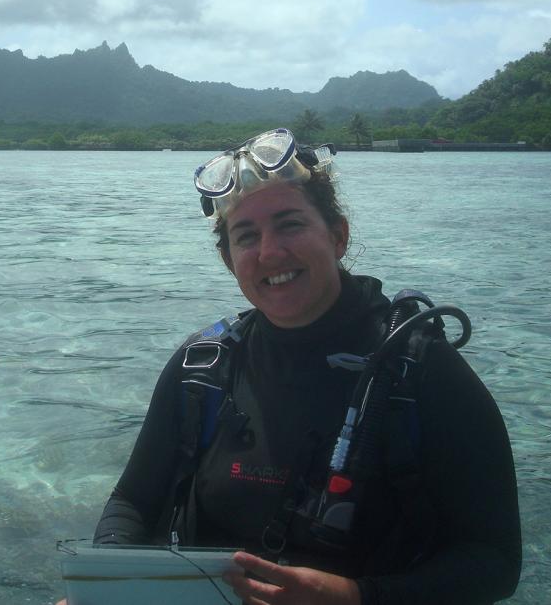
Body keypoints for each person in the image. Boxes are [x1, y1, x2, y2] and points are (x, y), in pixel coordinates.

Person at [69, 127, 522, 605]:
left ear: (338, 236)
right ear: (229, 260)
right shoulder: (202, 369)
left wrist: (357, 597)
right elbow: (134, 503)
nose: (270, 252)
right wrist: (106, 589)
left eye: (290, 224)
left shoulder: (421, 371)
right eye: (246, 236)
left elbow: (493, 561)